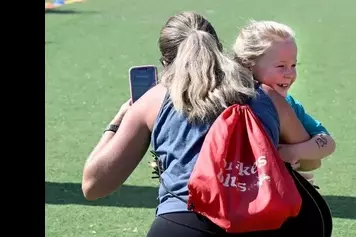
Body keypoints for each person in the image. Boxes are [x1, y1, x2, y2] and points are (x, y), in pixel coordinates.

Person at [82, 12, 316, 236]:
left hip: (183, 222)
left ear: (166, 62)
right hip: (266, 221)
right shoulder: (266, 94)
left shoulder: (153, 100)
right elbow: (311, 161)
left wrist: (118, 120)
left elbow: (93, 186)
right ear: (218, 50)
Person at [233, 20, 336, 175]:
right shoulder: (230, 101)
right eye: (281, 66)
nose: (290, 73)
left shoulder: (288, 104)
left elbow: (327, 142)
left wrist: (292, 151)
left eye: (293, 65)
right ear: (248, 65)